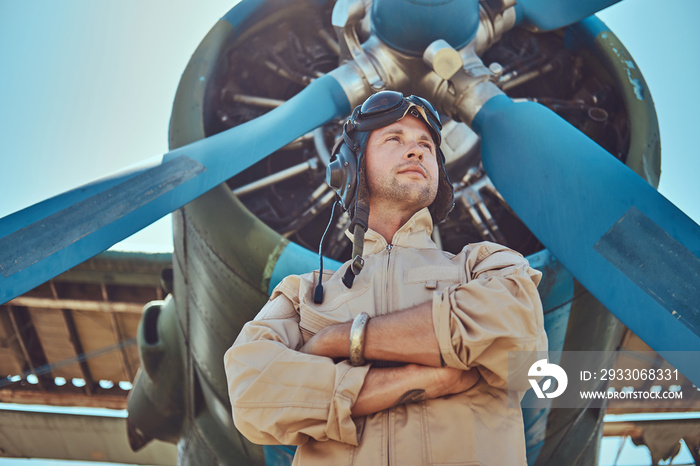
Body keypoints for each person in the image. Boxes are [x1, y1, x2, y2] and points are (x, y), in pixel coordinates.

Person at [224, 91, 548, 465]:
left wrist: (338, 340)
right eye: (394, 139)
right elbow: (252, 392)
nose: (416, 151)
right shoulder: (301, 295)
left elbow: (519, 341)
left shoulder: (487, 263)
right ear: (350, 169)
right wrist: (424, 379)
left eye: (425, 144)